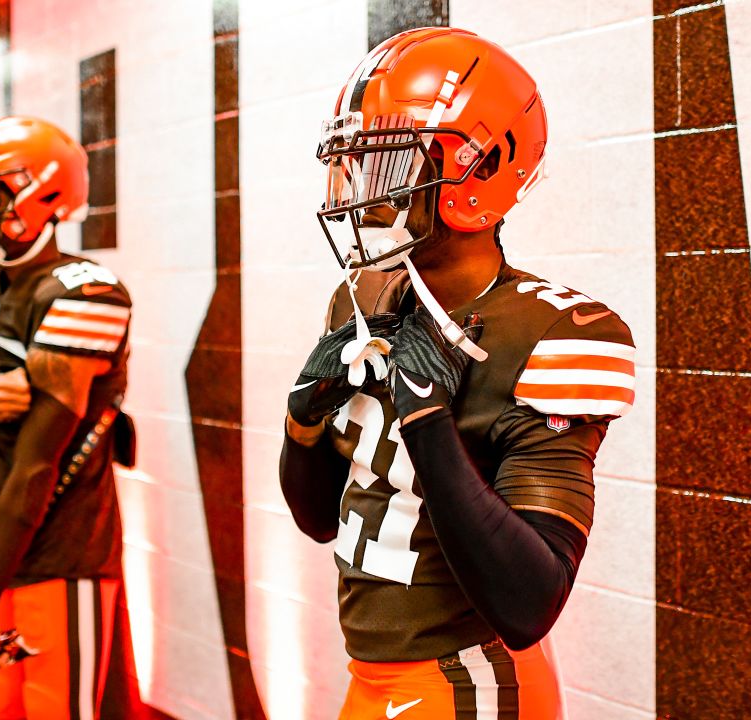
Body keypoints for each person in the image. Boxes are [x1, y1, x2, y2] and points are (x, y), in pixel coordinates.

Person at [280, 28, 636, 718]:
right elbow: (318, 519)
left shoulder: (552, 331)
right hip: (374, 680)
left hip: (470, 680)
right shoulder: (363, 299)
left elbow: (530, 603)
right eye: (354, 164)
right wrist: (301, 421)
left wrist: (428, 425)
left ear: (482, 168)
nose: (363, 191)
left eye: (387, 165)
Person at [0, 116, 133, 719]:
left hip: (66, 548)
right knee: (2, 710)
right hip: (12, 544)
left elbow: (37, 465)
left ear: (45, 196)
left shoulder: (86, 294)